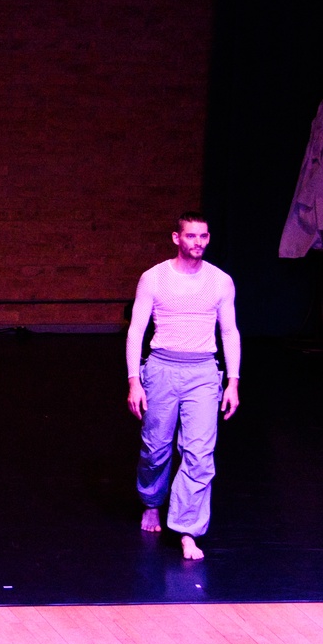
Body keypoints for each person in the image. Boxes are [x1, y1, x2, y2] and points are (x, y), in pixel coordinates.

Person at [125, 212, 240, 560]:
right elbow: (136, 331)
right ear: (177, 238)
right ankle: (151, 502)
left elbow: (229, 332)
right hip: (161, 369)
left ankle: (188, 529)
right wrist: (134, 381)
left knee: (199, 454)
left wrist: (233, 381)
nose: (198, 242)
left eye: (203, 236)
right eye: (191, 236)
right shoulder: (154, 278)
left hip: (203, 372)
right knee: (155, 448)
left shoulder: (220, 281)